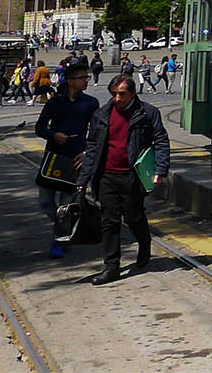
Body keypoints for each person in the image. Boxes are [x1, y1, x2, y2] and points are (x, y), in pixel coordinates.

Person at [77, 75, 170, 285]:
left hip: (132, 175)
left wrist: (160, 169)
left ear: (132, 93)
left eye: (122, 94)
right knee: (109, 222)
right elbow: (92, 147)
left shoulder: (147, 113)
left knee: (133, 217)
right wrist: (84, 177)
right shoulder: (101, 114)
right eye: (114, 94)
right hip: (106, 176)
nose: (117, 99)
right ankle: (111, 267)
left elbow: (161, 140)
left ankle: (144, 242)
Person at [34, 62, 99, 257]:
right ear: (71, 81)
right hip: (53, 156)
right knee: (45, 201)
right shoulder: (55, 102)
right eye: (82, 78)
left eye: (87, 77)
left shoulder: (91, 103)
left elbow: (97, 132)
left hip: (76, 158)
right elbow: (40, 127)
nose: (86, 80)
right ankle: (63, 228)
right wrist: (53, 135)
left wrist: (88, 152)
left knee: (66, 204)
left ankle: (59, 240)